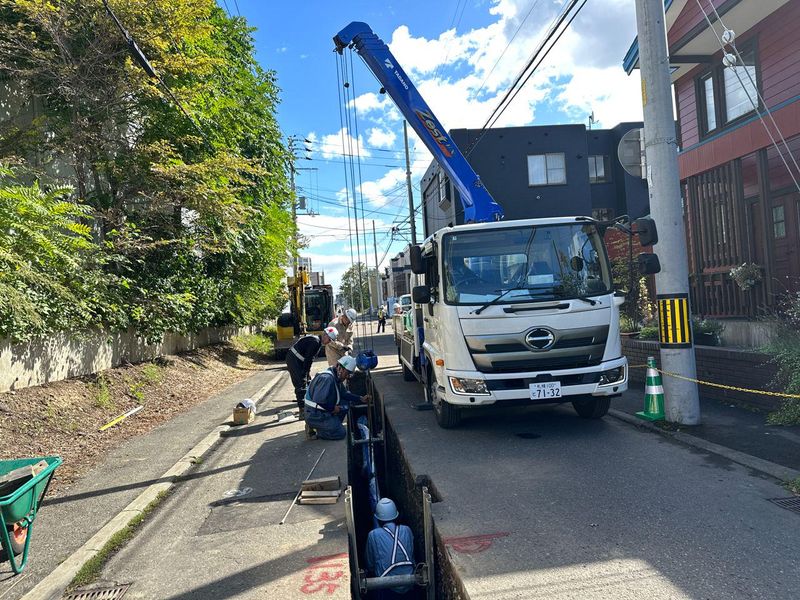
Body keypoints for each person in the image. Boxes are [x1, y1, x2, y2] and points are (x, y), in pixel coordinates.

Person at [304, 355, 370, 440]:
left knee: (346, 404)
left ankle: (332, 424)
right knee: (340, 433)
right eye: (347, 373)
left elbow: (344, 394)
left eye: (349, 374)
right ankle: (315, 430)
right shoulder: (327, 378)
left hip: (321, 410)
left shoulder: (336, 376)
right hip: (314, 414)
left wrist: (360, 398)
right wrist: (332, 408)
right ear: (340, 368)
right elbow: (318, 401)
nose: (347, 377)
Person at [365, 498, 415, 597]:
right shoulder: (407, 530)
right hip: (410, 580)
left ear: (378, 519)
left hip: (386, 585)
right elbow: (412, 554)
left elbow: (370, 564)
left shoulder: (373, 535)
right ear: (396, 516)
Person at [285, 326, 337, 419]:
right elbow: (308, 359)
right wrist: (305, 373)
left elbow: (308, 359)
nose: (329, 342)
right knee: (301, 384)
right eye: (329, 340)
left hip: (297, 358)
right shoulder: (315, 342)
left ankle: (307, 405)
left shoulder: (317, 342)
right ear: (325, 335)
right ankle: (302, 411)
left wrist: (307, 373)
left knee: (306, 381)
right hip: (294, 359)